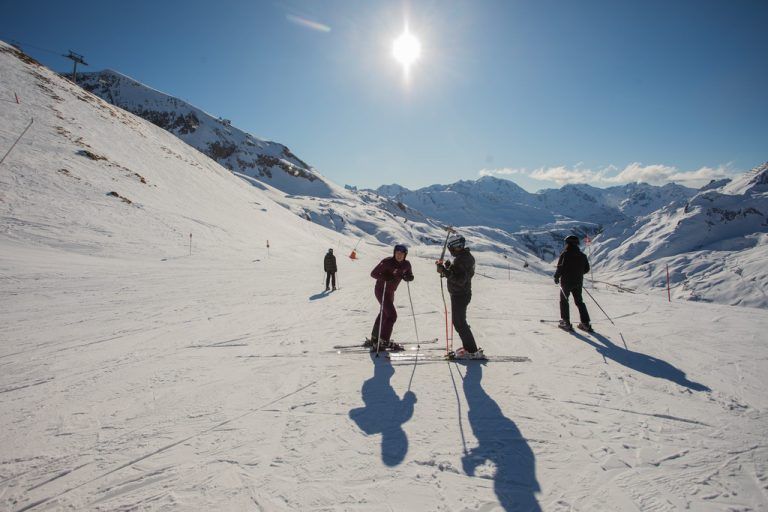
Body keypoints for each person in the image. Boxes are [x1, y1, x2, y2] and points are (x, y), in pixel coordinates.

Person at [436, 235, 483, 359]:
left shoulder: (463, 259)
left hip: (460, 295)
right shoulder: (463, 257)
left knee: (459, 323)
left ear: (456, 247)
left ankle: (472, 351)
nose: (450, 251)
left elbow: (461, 280)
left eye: (451, 248)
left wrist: (445, 272)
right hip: (459, 294)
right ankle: (469, 348)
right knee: (459, 322)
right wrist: (448, 267)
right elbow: (458, 273)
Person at [366, 244, 414, 350]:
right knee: (392, 315)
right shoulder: (387, 262)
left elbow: (410, 274)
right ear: (394, 253)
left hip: (391, 292)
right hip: (381, 290)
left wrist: (409, 277)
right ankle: (383, 340)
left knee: (384, 313)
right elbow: (373, 273)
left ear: (405, 255)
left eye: (401, 253)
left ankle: (375, 338)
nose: (399, 255)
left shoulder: (406, 264)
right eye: (397, 253)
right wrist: (384, 277)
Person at [554, 235, 592, 332]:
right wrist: (578, 273)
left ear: (568, 244)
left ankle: (566, 323)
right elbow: (586, 269)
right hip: (578, 282)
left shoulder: (565, 254)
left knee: (564, 301)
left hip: (566, 282)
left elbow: (560, 268)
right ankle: (586, 324)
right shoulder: (583, 256)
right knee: (579, 302)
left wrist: (556, 277)